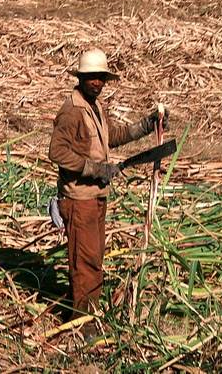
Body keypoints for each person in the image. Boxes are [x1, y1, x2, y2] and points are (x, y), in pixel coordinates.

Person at [48, 48, 168, 336]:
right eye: (92, 78)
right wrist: (96, 170)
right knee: (85, 263)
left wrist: (145, 126)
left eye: (101, 78)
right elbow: (57, 152)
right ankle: (83, 325)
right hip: (79, 200)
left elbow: (111, 137)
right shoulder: (72, 111)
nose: (97, 83)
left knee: (94, 259)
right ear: (81, 78)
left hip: (97, 198)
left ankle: (83, 314)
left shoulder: (95, 107)